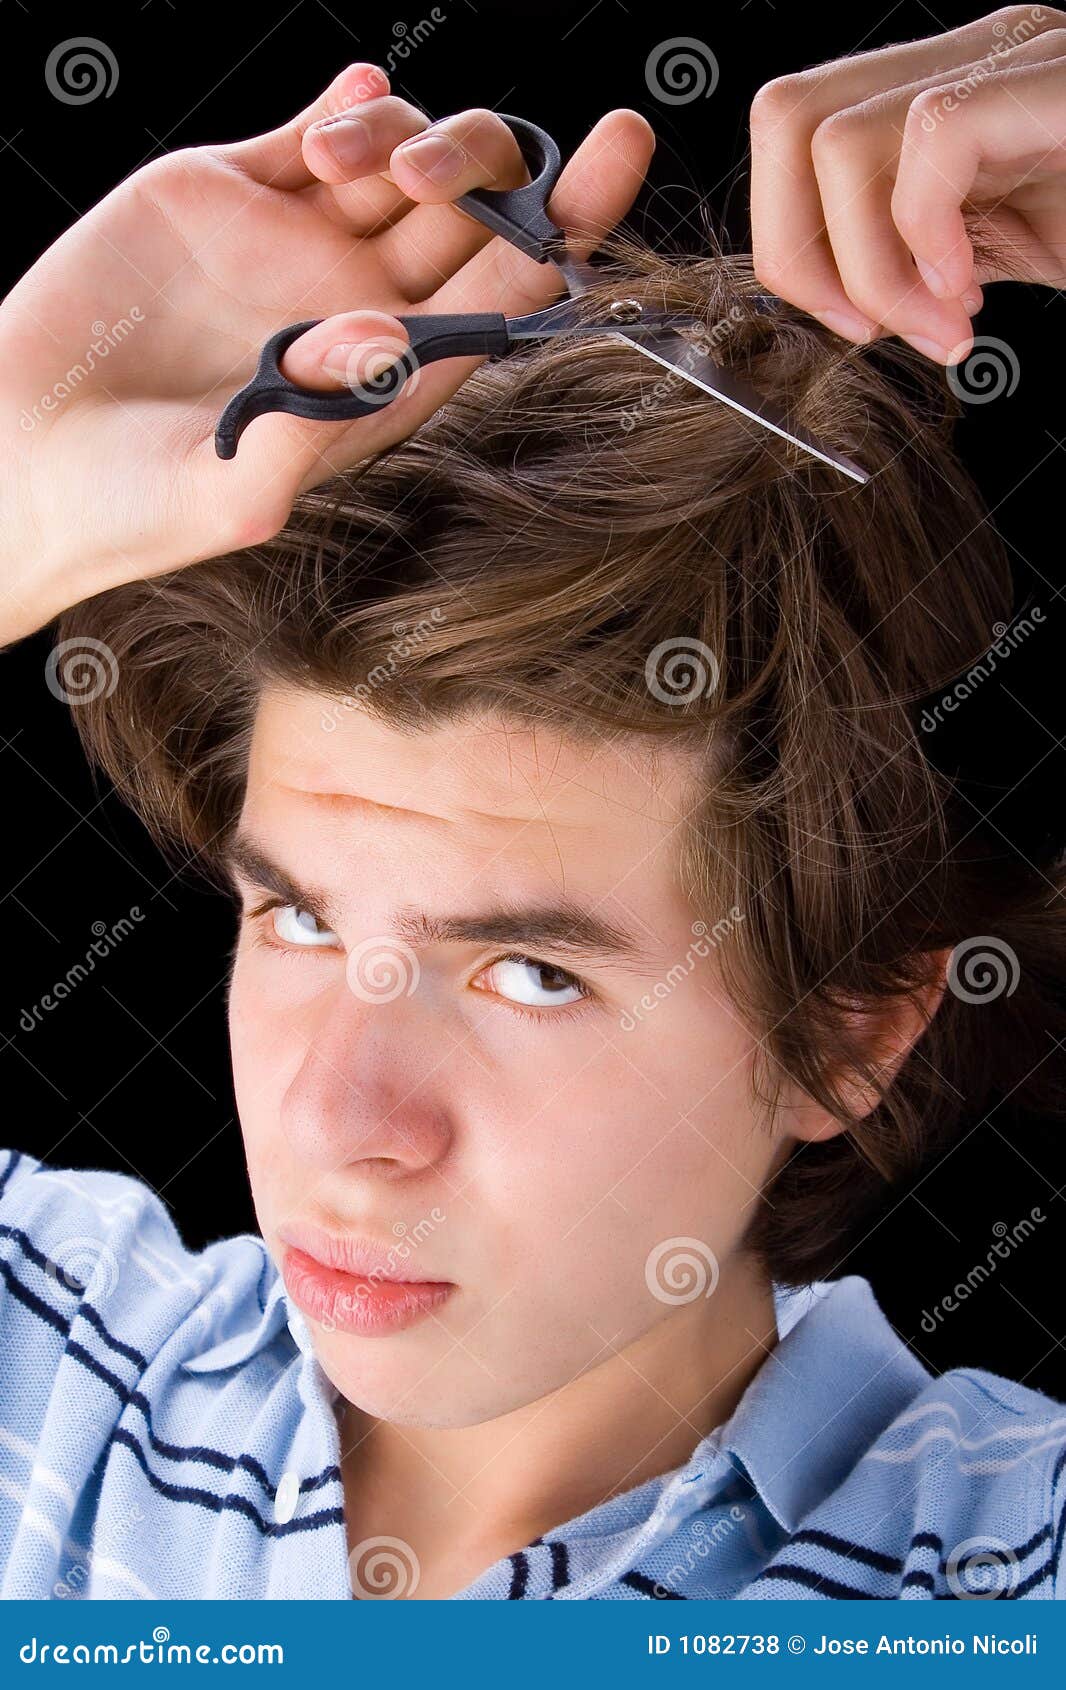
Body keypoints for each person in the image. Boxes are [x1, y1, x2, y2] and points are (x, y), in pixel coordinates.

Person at [1, 13, 1065, 1603]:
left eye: (530, 972)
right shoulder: (53, 1363)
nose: (339, 1127)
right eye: (297, 915)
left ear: (847, 1031)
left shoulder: (1002, 1569)